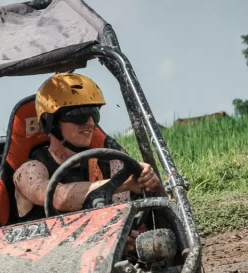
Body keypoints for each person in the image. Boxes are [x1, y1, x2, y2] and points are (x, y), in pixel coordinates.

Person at [11, 73, 163, 222]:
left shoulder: (109, 163)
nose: (90, 123)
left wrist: (149, 181)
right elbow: (58, 197)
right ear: (50, 122)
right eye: (79, 114)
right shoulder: (29, 171)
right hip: (39, 247)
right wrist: (124, 184)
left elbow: (122, 216)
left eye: (94, 113)